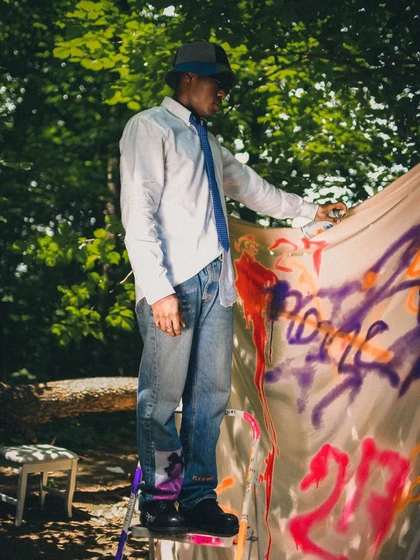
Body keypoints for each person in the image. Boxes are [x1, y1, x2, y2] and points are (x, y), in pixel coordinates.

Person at [119, 40, 346, 537]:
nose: (223, 93)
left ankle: (198, 498)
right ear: (188, 79)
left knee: (210, 399)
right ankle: (160, 501)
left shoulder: (209, 143)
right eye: (217, 82)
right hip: (174, 283)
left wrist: (312, 210)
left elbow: (252, 188)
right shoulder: (150, 127)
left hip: (217, 285)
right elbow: (139, 213)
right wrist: (158, 290)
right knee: (162, 398)